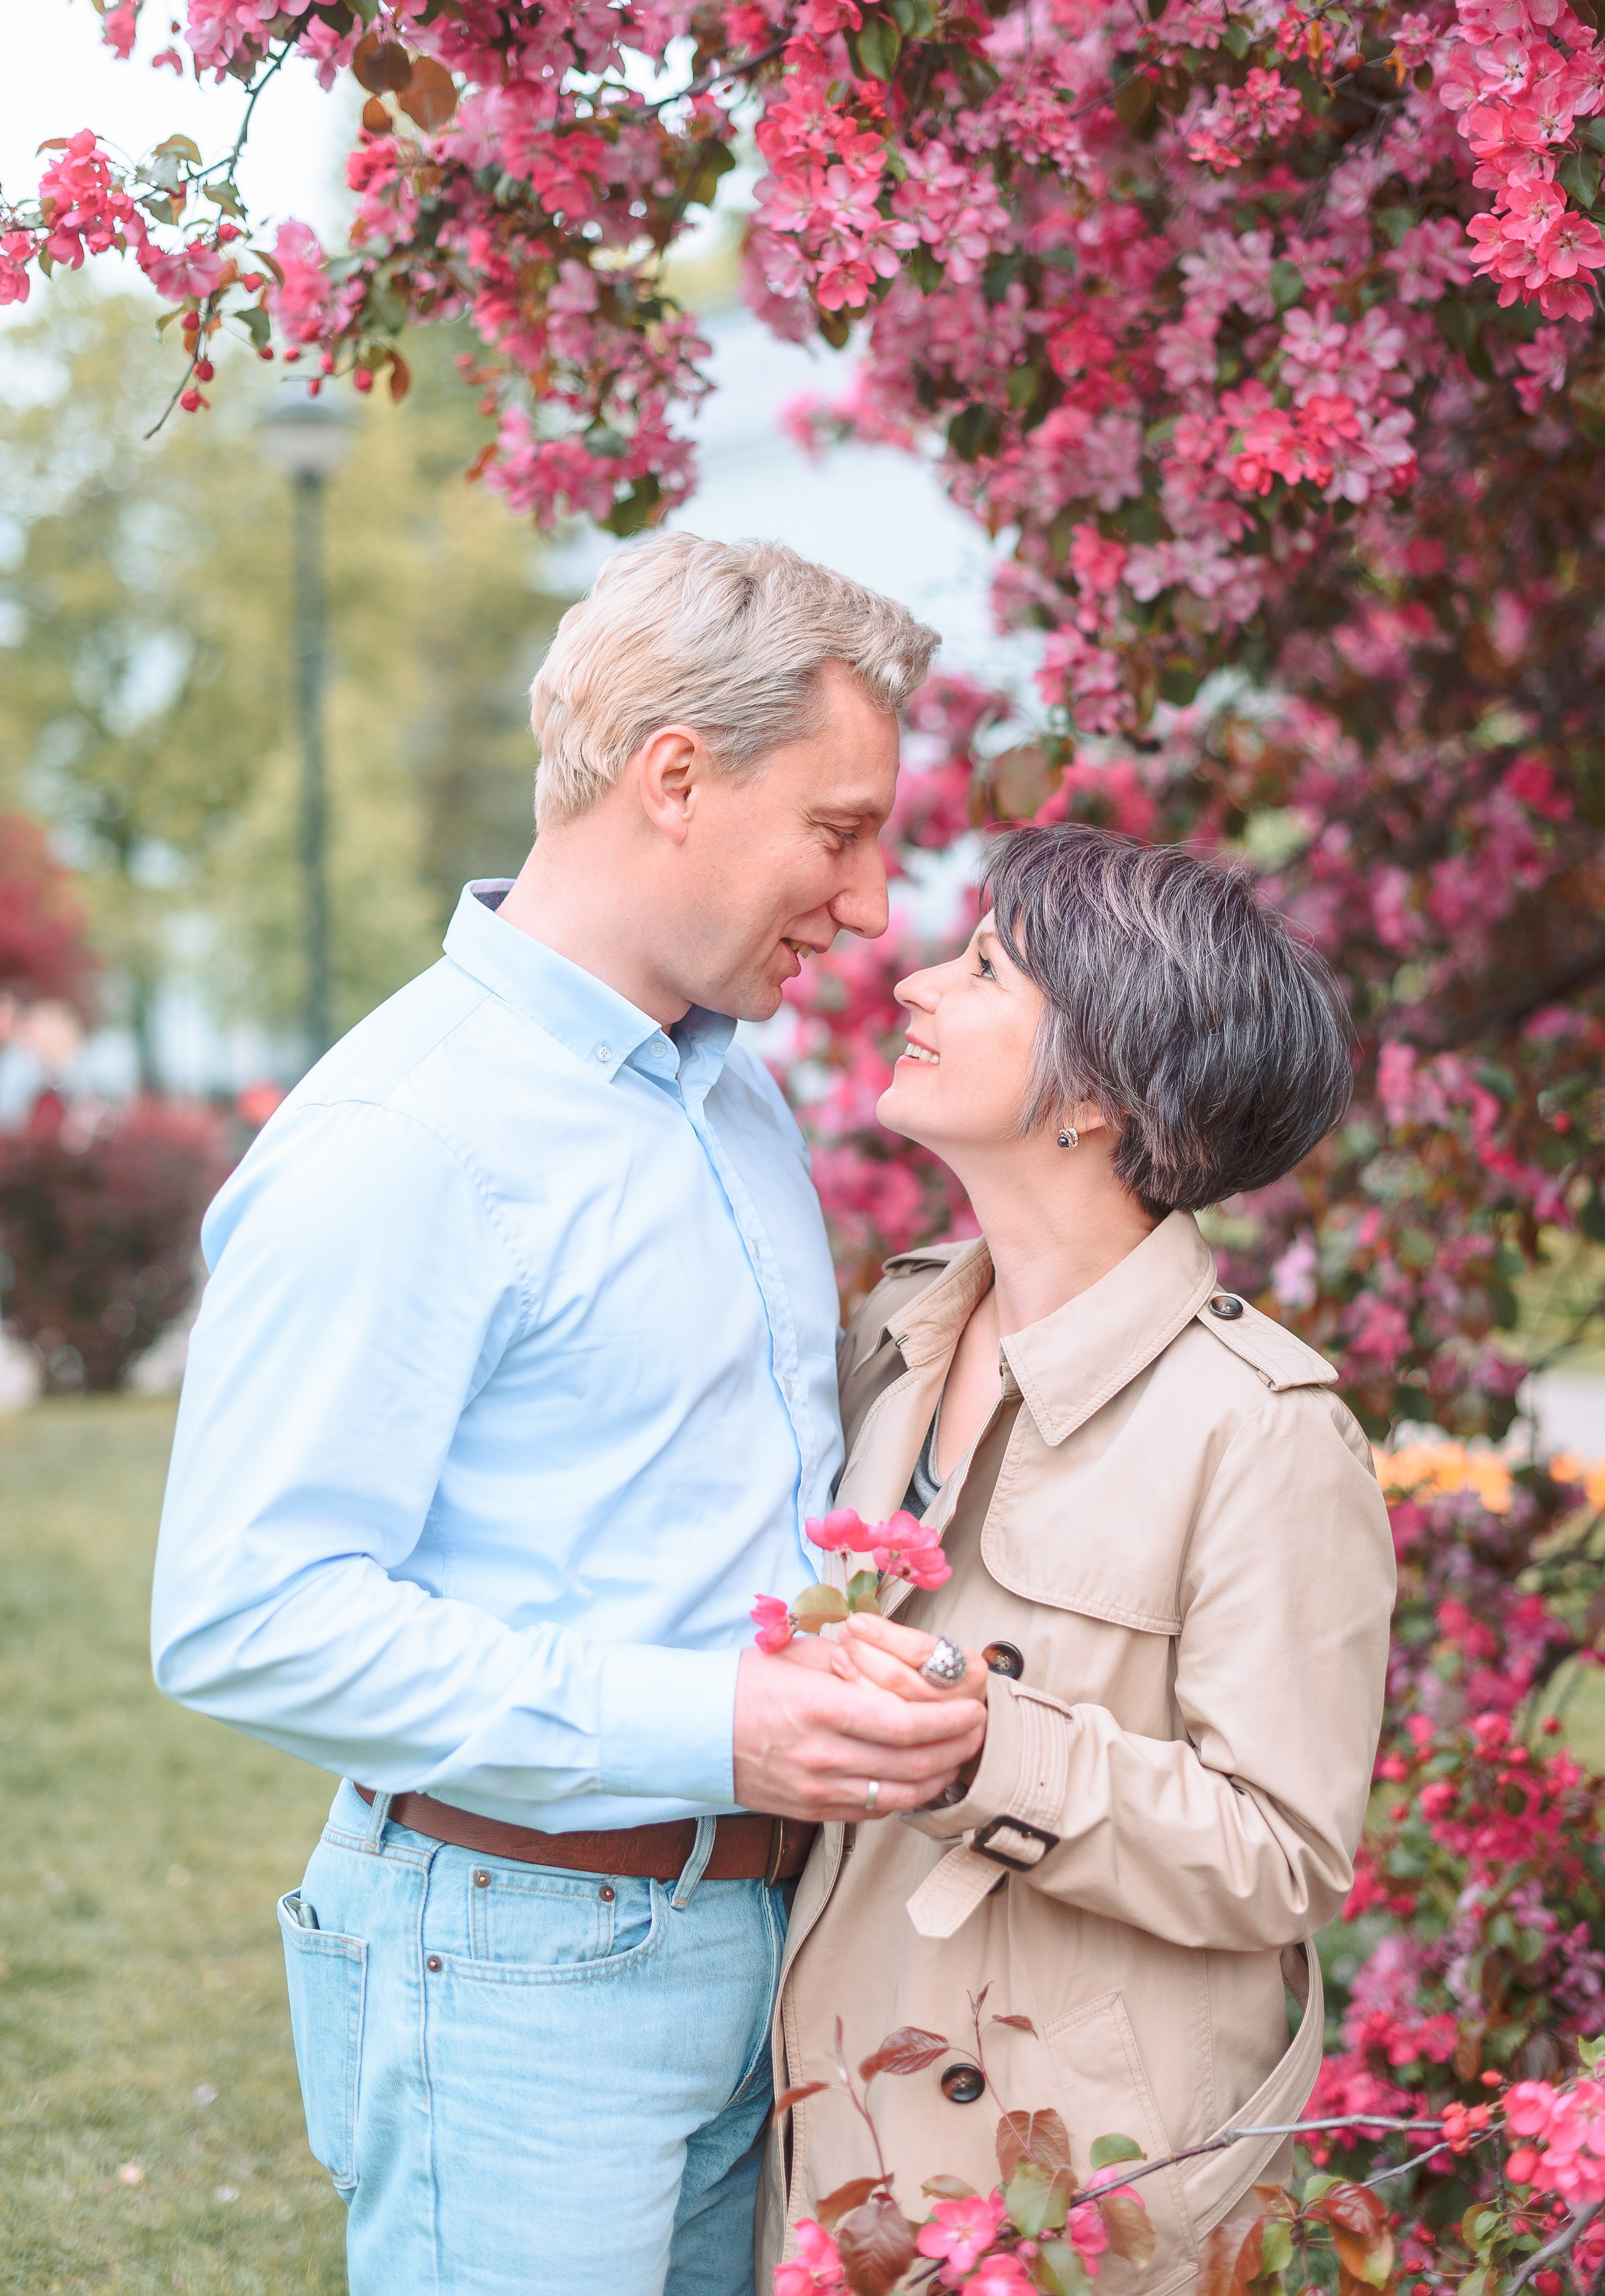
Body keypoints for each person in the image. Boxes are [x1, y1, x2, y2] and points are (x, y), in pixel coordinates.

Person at [149, 534, 988, 2296]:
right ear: (674, 774)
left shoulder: (732, 1098)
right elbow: (244, 1615)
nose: (866, 900)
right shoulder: (407, 1136)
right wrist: (716, 1724)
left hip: (760, 1940)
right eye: (840, 830)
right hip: (519, 1959)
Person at [760, 825, 1396, 2290]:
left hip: (1071, 2186)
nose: (914, 980)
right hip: (835, 2111)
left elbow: (1283, 1852)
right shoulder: (891, 1333)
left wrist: (991, 1749)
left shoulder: (1262, 1431)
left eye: (983, 967)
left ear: (1098, 1094)